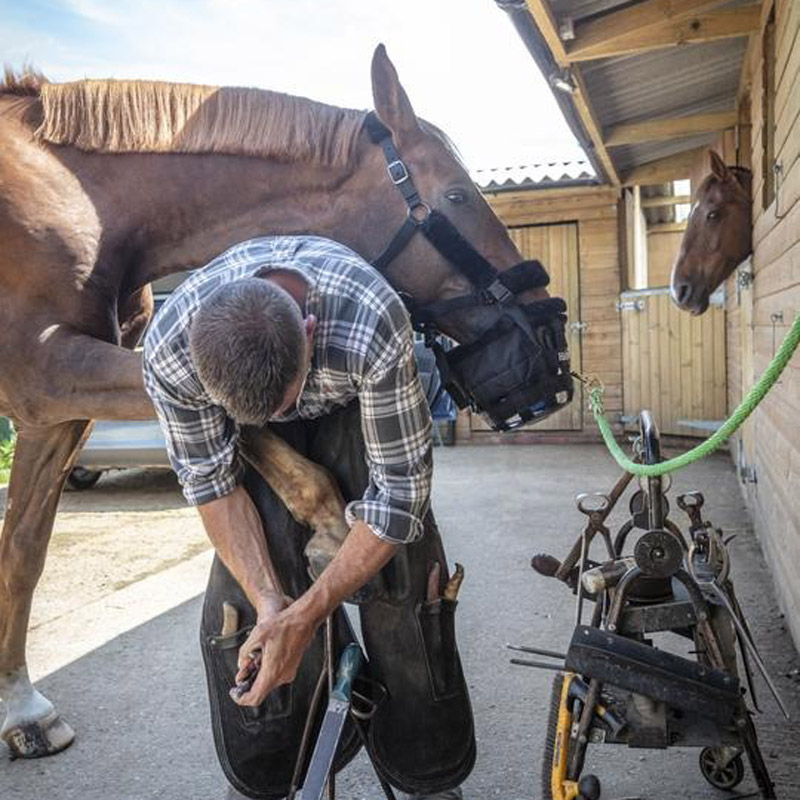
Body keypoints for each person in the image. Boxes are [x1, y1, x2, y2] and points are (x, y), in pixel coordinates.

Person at [143, 235, 465, 799]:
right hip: (253, 444)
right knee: (243, 616)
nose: (282, 416)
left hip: (354, 403)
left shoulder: (369, 319)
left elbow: (398, 498)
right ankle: (272, 772)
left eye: (284, 404)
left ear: (310, 335)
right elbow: (214, 487)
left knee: (406, 595)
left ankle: (426, 774)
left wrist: (310, 613)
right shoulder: (170, 355)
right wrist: (272, 605)